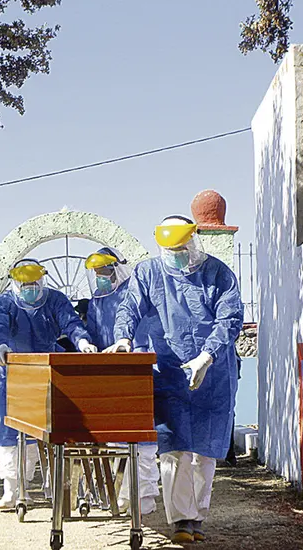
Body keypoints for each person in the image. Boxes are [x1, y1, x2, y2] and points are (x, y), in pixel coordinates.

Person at [106, 217, 243, 544]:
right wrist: (123, 337)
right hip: (169, 373)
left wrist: (206, 356)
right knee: (175, 448)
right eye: (172, 251)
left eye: (184, 249)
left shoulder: (218, 274)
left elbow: (229, 319)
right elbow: (129, 308)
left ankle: (198, 516)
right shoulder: (149, 273)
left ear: (194, 241)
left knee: (205, 452)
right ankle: (182, 519)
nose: (180, 256)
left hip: (212, 374)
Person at [0, 258, 97, 509]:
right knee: (8, 431)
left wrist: (81, 341)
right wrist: (1, 346)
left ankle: (40, 484)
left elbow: (70, 322)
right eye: (25, 284)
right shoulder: (3, 303)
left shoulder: (55, 299)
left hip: (46, 371)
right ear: (16, 283)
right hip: (10, 373)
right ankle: (11, 489)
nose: (30, 288)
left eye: (34, 283)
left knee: (45, 430)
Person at [83, 247, 162, 516]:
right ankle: (122, 493)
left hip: (138, 367)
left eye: (104, 271)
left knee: (142, 435)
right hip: (110, 373)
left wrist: (135, 351)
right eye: (96, 273)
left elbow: (146, 329)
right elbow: (94, 334)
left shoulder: (134, 292)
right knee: (116, 438)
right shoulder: (97, 300)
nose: (100, 277)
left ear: (116, 268)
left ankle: (145, 495)